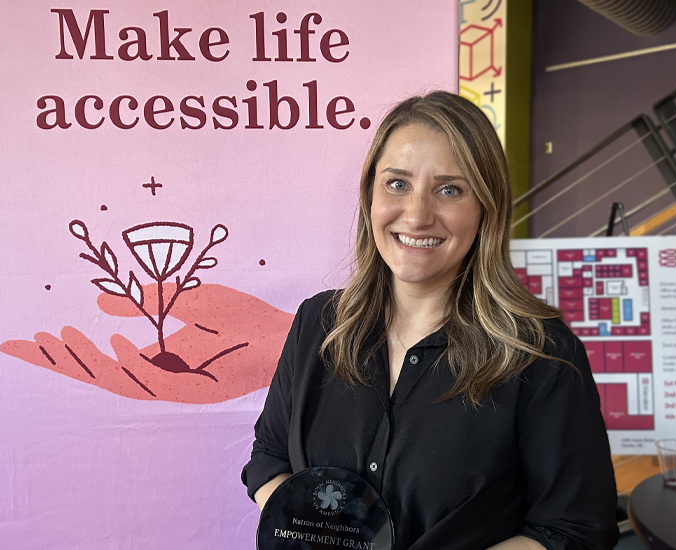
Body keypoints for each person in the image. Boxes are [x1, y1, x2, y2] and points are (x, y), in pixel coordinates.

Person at [241, 91, 619, 550]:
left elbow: (574, 530)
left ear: (486, 208)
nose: (417, 215)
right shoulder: (318, 323)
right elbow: (269, 457)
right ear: (370, 196)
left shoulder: (541, 354)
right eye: (397, 184)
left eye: (449, 189)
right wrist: (312, 535)